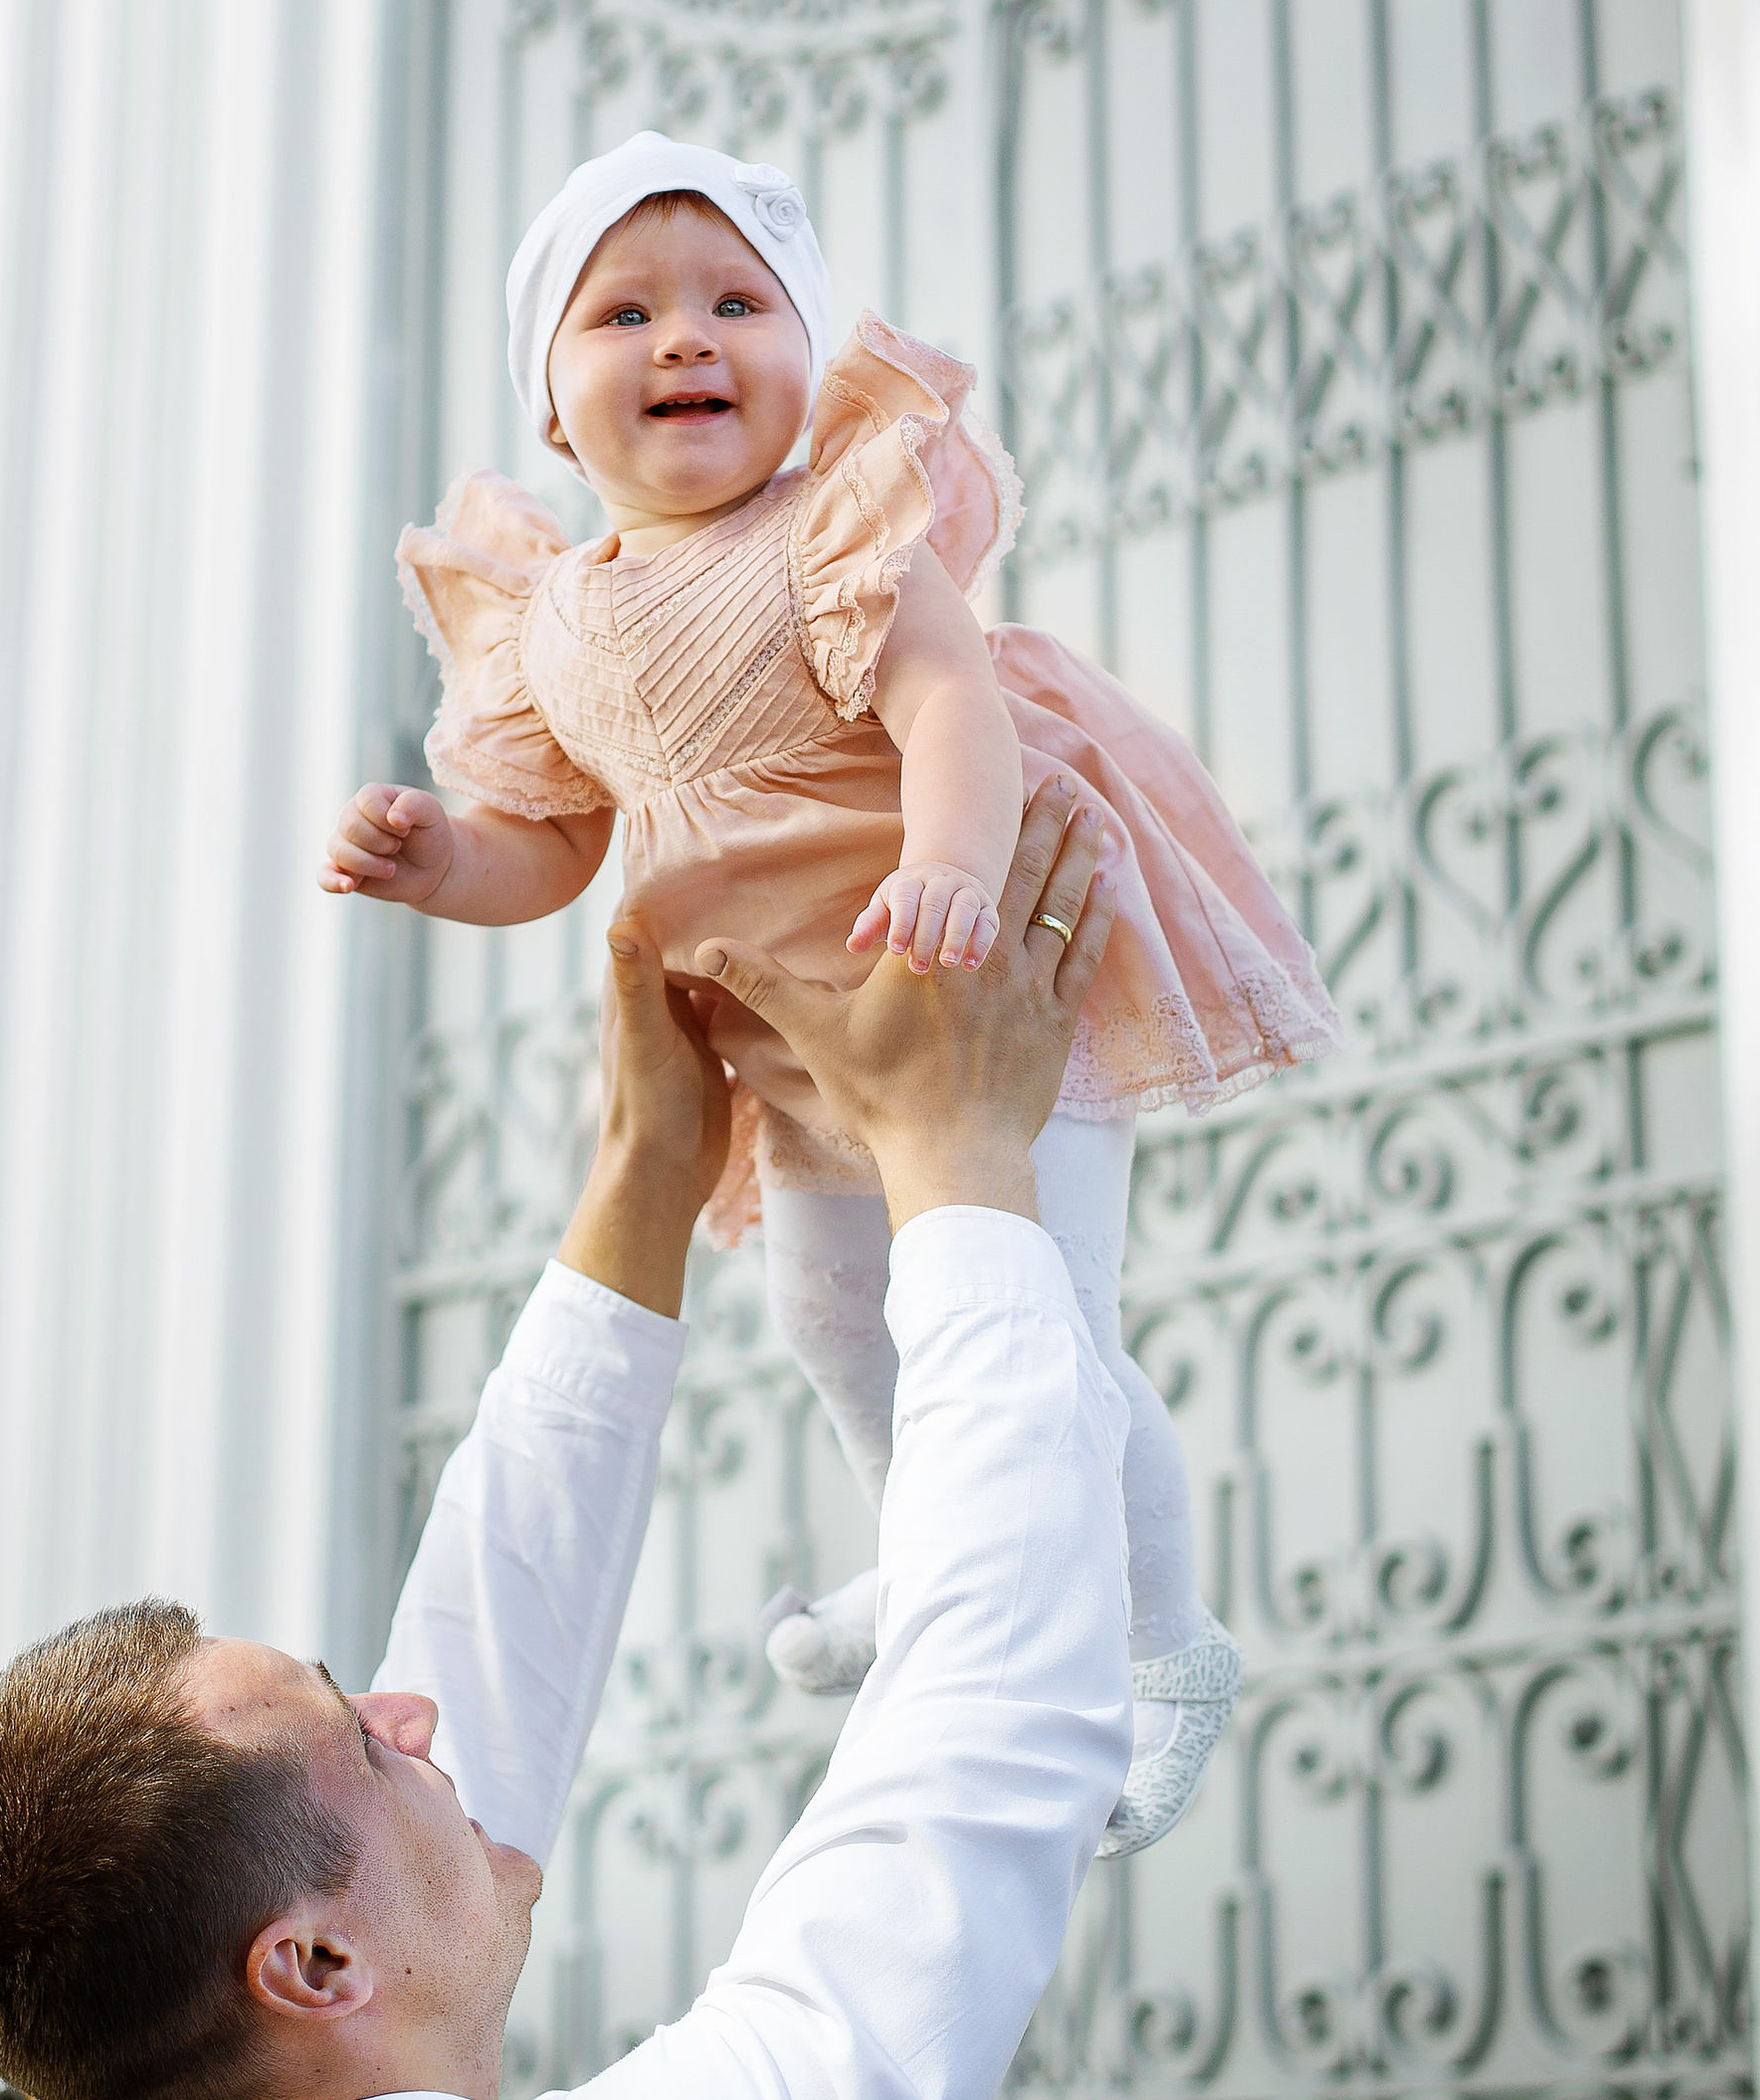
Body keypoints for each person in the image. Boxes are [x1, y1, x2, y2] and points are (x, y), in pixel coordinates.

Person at [0, 787, 1129, 2100]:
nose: (409, 1711)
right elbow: (985, 1748)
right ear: (306, 1963)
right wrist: (960, 1165)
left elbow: (466, 1677)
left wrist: (645, 1171)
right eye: (367, 1748)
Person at [322, 131, 1337, 1843]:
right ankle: (918, 1545)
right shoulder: (554, 616)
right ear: (555, 412)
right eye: (623, 313)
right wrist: (444, 867)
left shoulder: (831, 532)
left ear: (804, 353)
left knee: (1052, 1338)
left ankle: (1166, 1649)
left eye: (738, 300)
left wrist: (948, 858)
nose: (687, 339)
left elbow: (956, 704)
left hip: (977, 989)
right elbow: (554, 844)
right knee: (829, 1317)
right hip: (791, 1039)